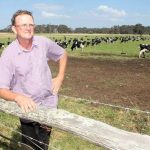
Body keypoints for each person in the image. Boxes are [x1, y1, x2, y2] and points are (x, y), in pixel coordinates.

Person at [0, 10, 67, 150]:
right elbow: (1, 89)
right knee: (30, 145)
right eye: (23, 24)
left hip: (49, 104)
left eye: (31, 24)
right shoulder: (8, 55)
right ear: (14, 29)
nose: (28, 28)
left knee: (43, 143)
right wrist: (18, 97)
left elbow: (62, 53)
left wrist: (60, 77)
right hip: (28, 109)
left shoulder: (43, 43)